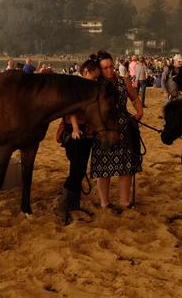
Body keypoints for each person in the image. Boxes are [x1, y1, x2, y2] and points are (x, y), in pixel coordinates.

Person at [90, 50, 143, 214]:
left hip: (124, 126)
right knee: (103, 166)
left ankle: (124, 201)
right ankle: (105, 202)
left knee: (125, 165)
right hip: (103, 129)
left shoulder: (123, 81)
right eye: (105, 68)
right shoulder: (95, 84)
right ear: (99, 69)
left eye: (111, 66)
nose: (109, 70)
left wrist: (139, 112)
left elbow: (134, 98)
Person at [55, 57, 101, 224]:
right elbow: (70, 108)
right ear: (86, 72)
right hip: (74, 131)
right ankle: (62, 205)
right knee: (76, 170)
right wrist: (75, 128)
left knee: (80, 170)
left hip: (87, 131)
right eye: (93, 77)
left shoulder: (88, 87)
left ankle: (73, 204)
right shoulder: (74, 84)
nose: (95, 81)